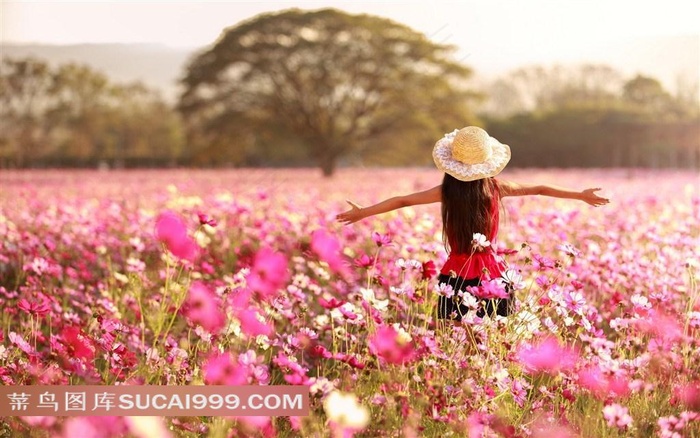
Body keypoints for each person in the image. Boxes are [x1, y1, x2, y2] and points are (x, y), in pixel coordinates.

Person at [336, 126, 609, 323]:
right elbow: (539, 188)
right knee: (489, 328)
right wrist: (580, 195)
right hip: (491, 269)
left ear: (453, 163)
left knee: (463, 330)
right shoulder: (495, 187)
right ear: (487, 163)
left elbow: (404, 201)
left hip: (457, 269)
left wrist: (364, 213)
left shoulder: (447, 191)